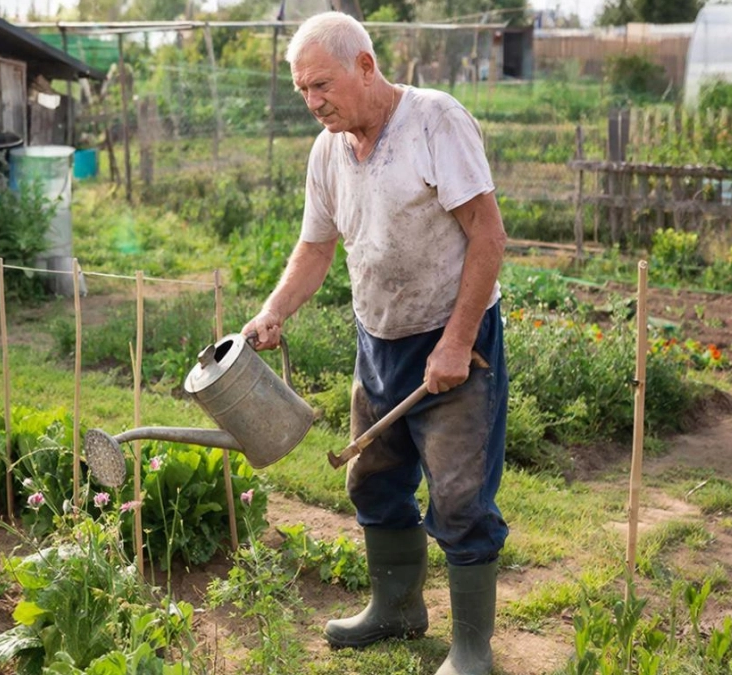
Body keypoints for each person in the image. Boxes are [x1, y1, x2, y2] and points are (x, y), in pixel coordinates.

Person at [240, 12, 509, 675]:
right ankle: (396, 608)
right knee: (374, 479)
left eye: (322, 85)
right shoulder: (328, 152)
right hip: (380, 340)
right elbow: (316, 246)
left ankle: (472, 647)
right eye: (303, 90)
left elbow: (488, 235)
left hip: (454, 344)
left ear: (366, 65)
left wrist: (456, 340)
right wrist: (274, 311)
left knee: (459, 497)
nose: (313, 103)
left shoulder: (434, 122)